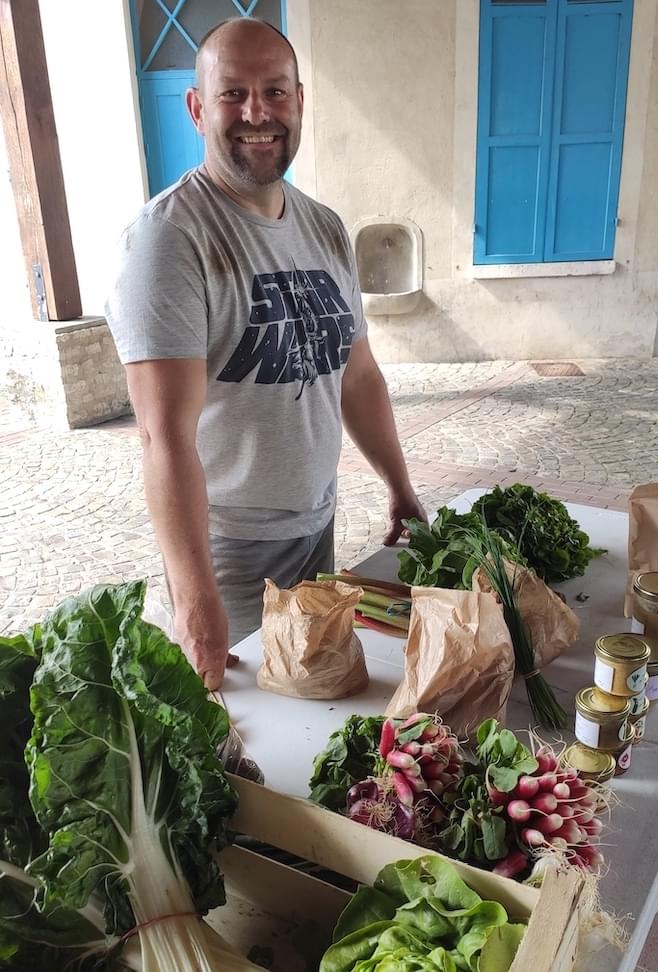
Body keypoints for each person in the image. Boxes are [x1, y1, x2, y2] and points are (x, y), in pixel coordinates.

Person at [106, 17, 425, 691]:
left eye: (275, 91)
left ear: (300, 102)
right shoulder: (170, 242)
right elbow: (164, 439)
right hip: (231, 554)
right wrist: (196, 605)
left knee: (315, 709)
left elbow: (358, 374)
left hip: (316, 526)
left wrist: (399, 485)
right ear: (197, 108)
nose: (258, 113)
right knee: (248, 735)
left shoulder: (324, 227)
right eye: (234, 94)